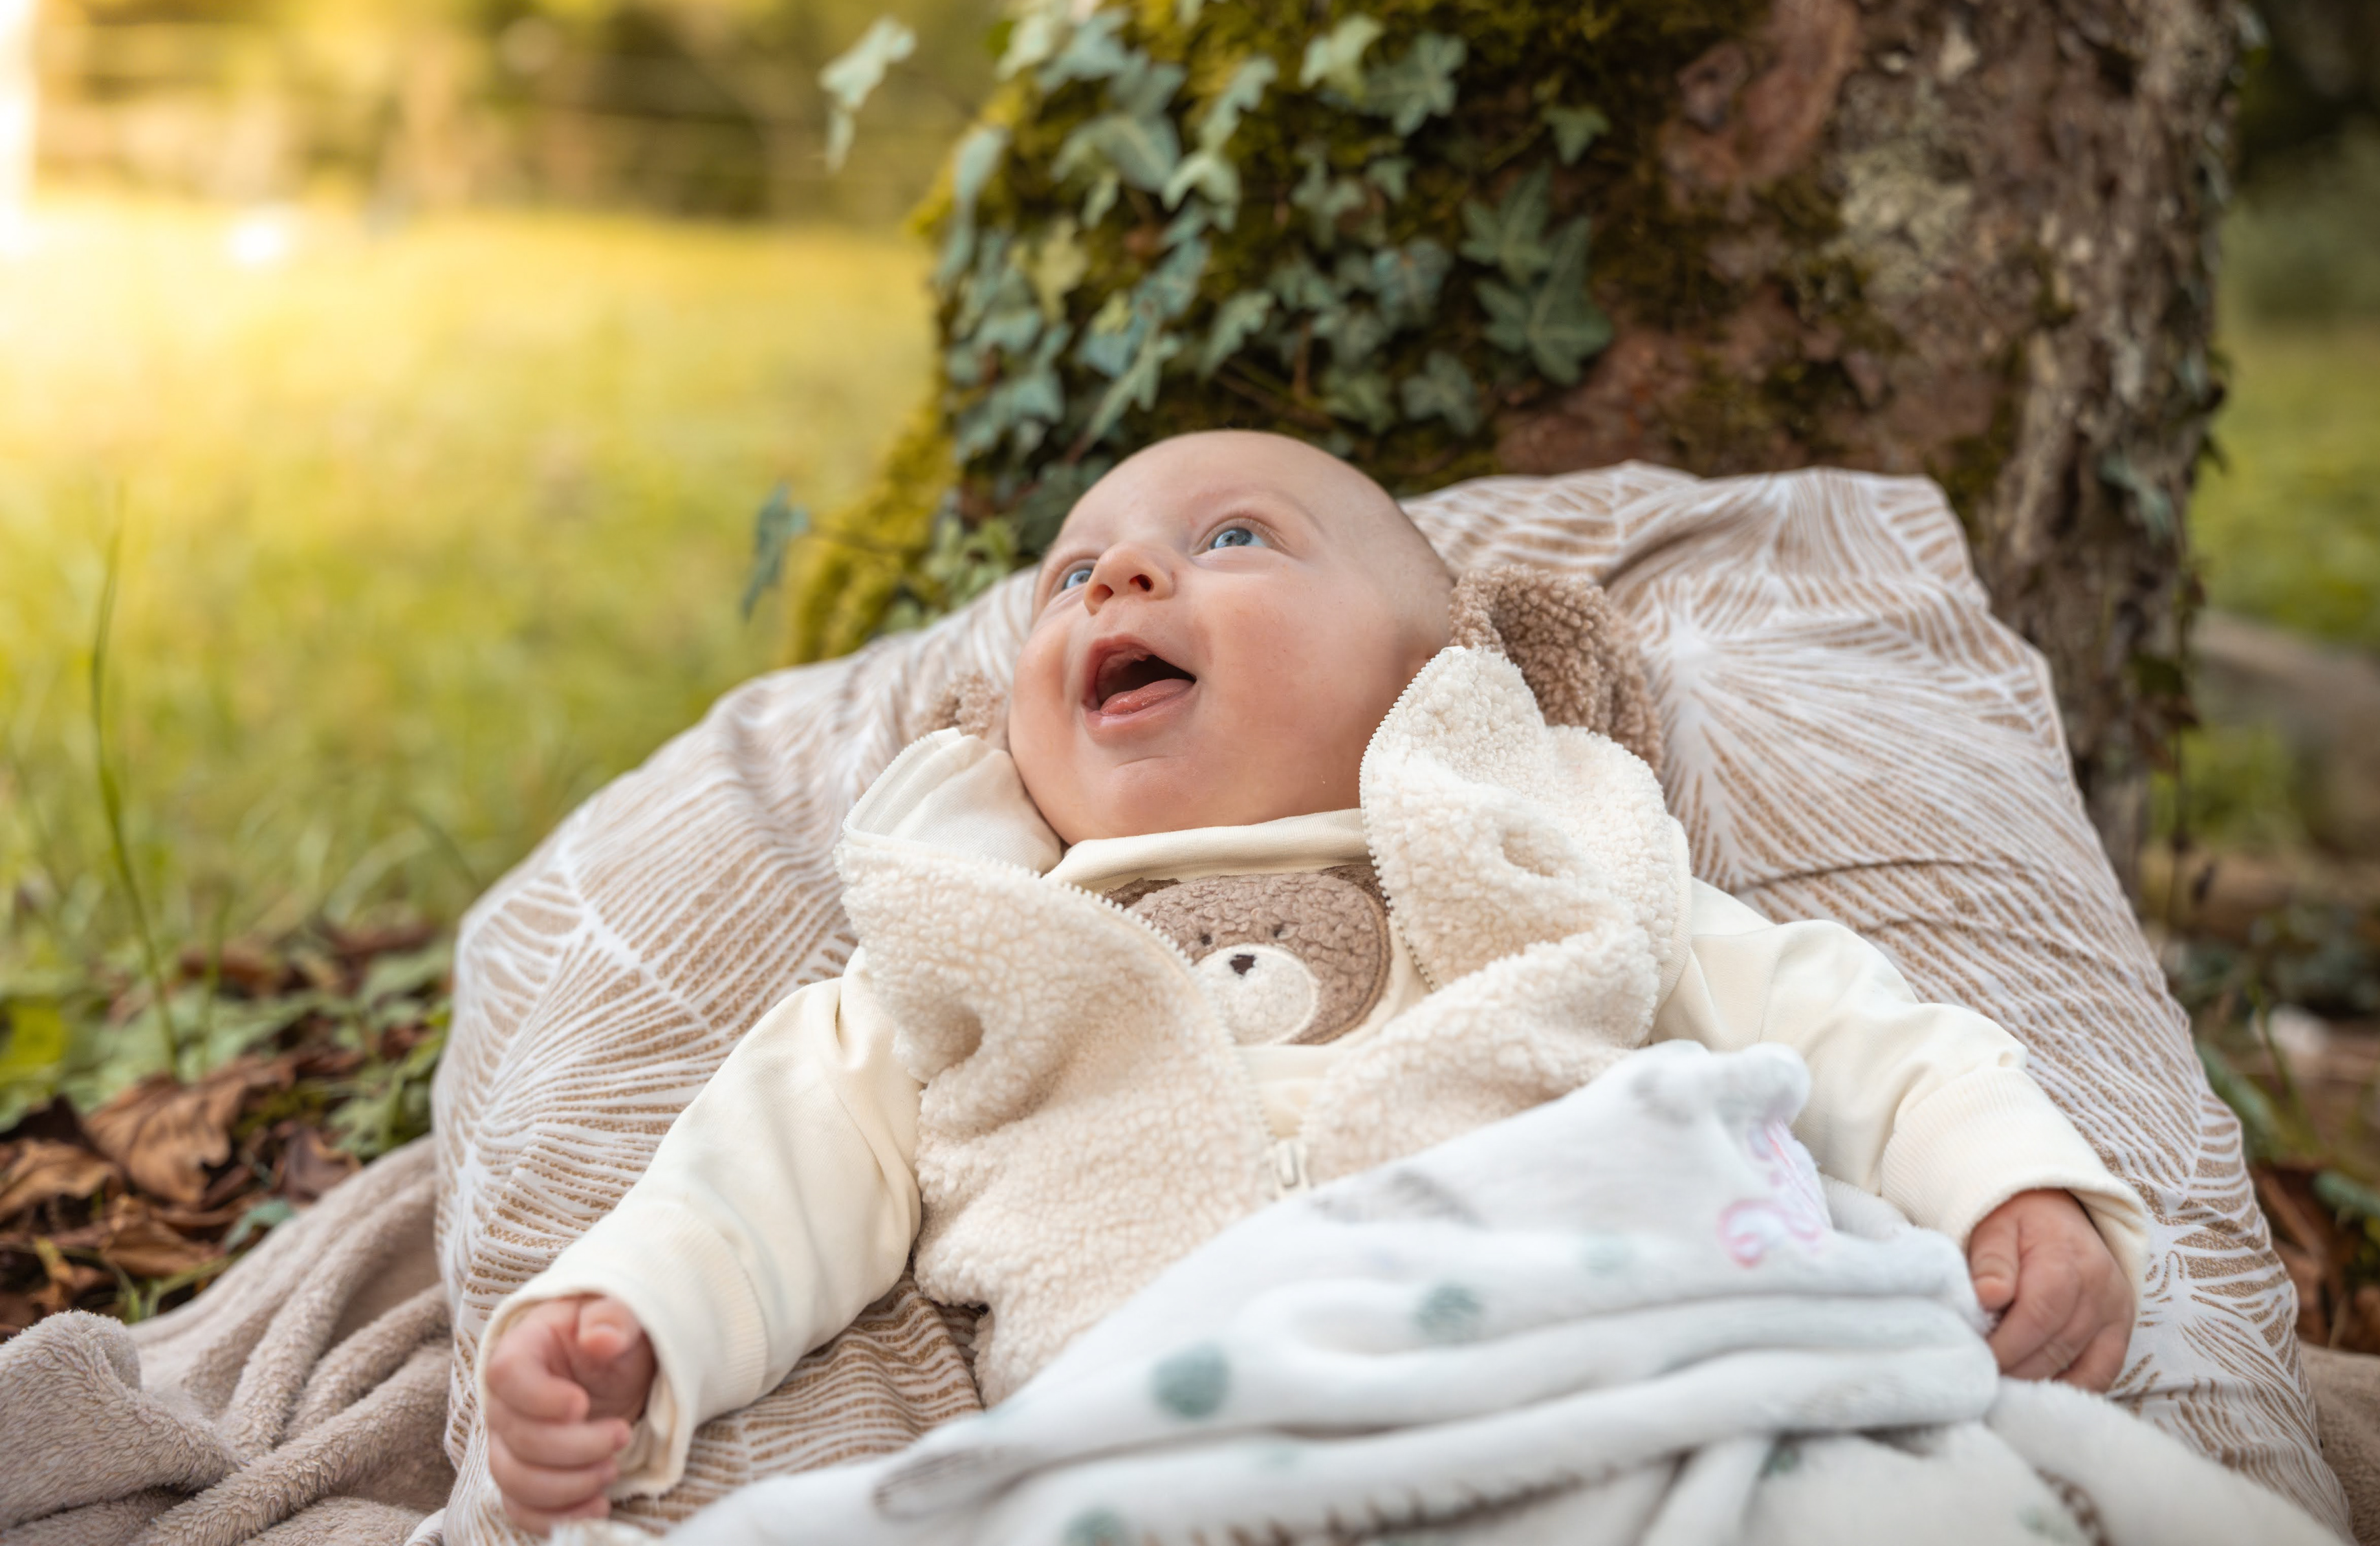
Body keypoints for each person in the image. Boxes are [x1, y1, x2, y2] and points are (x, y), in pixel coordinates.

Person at [477, 432, 2145, 1533]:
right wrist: (634, 1321)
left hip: (1598, 1376)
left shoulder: (1547, 852)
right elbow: (761, 1164)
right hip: (1172, 1445)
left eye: (1232, 538)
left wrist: (2004, 1179)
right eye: (1072, 574)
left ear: (1435, 668)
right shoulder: (974, 942)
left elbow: (1835, 1021)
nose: (1119, 579)